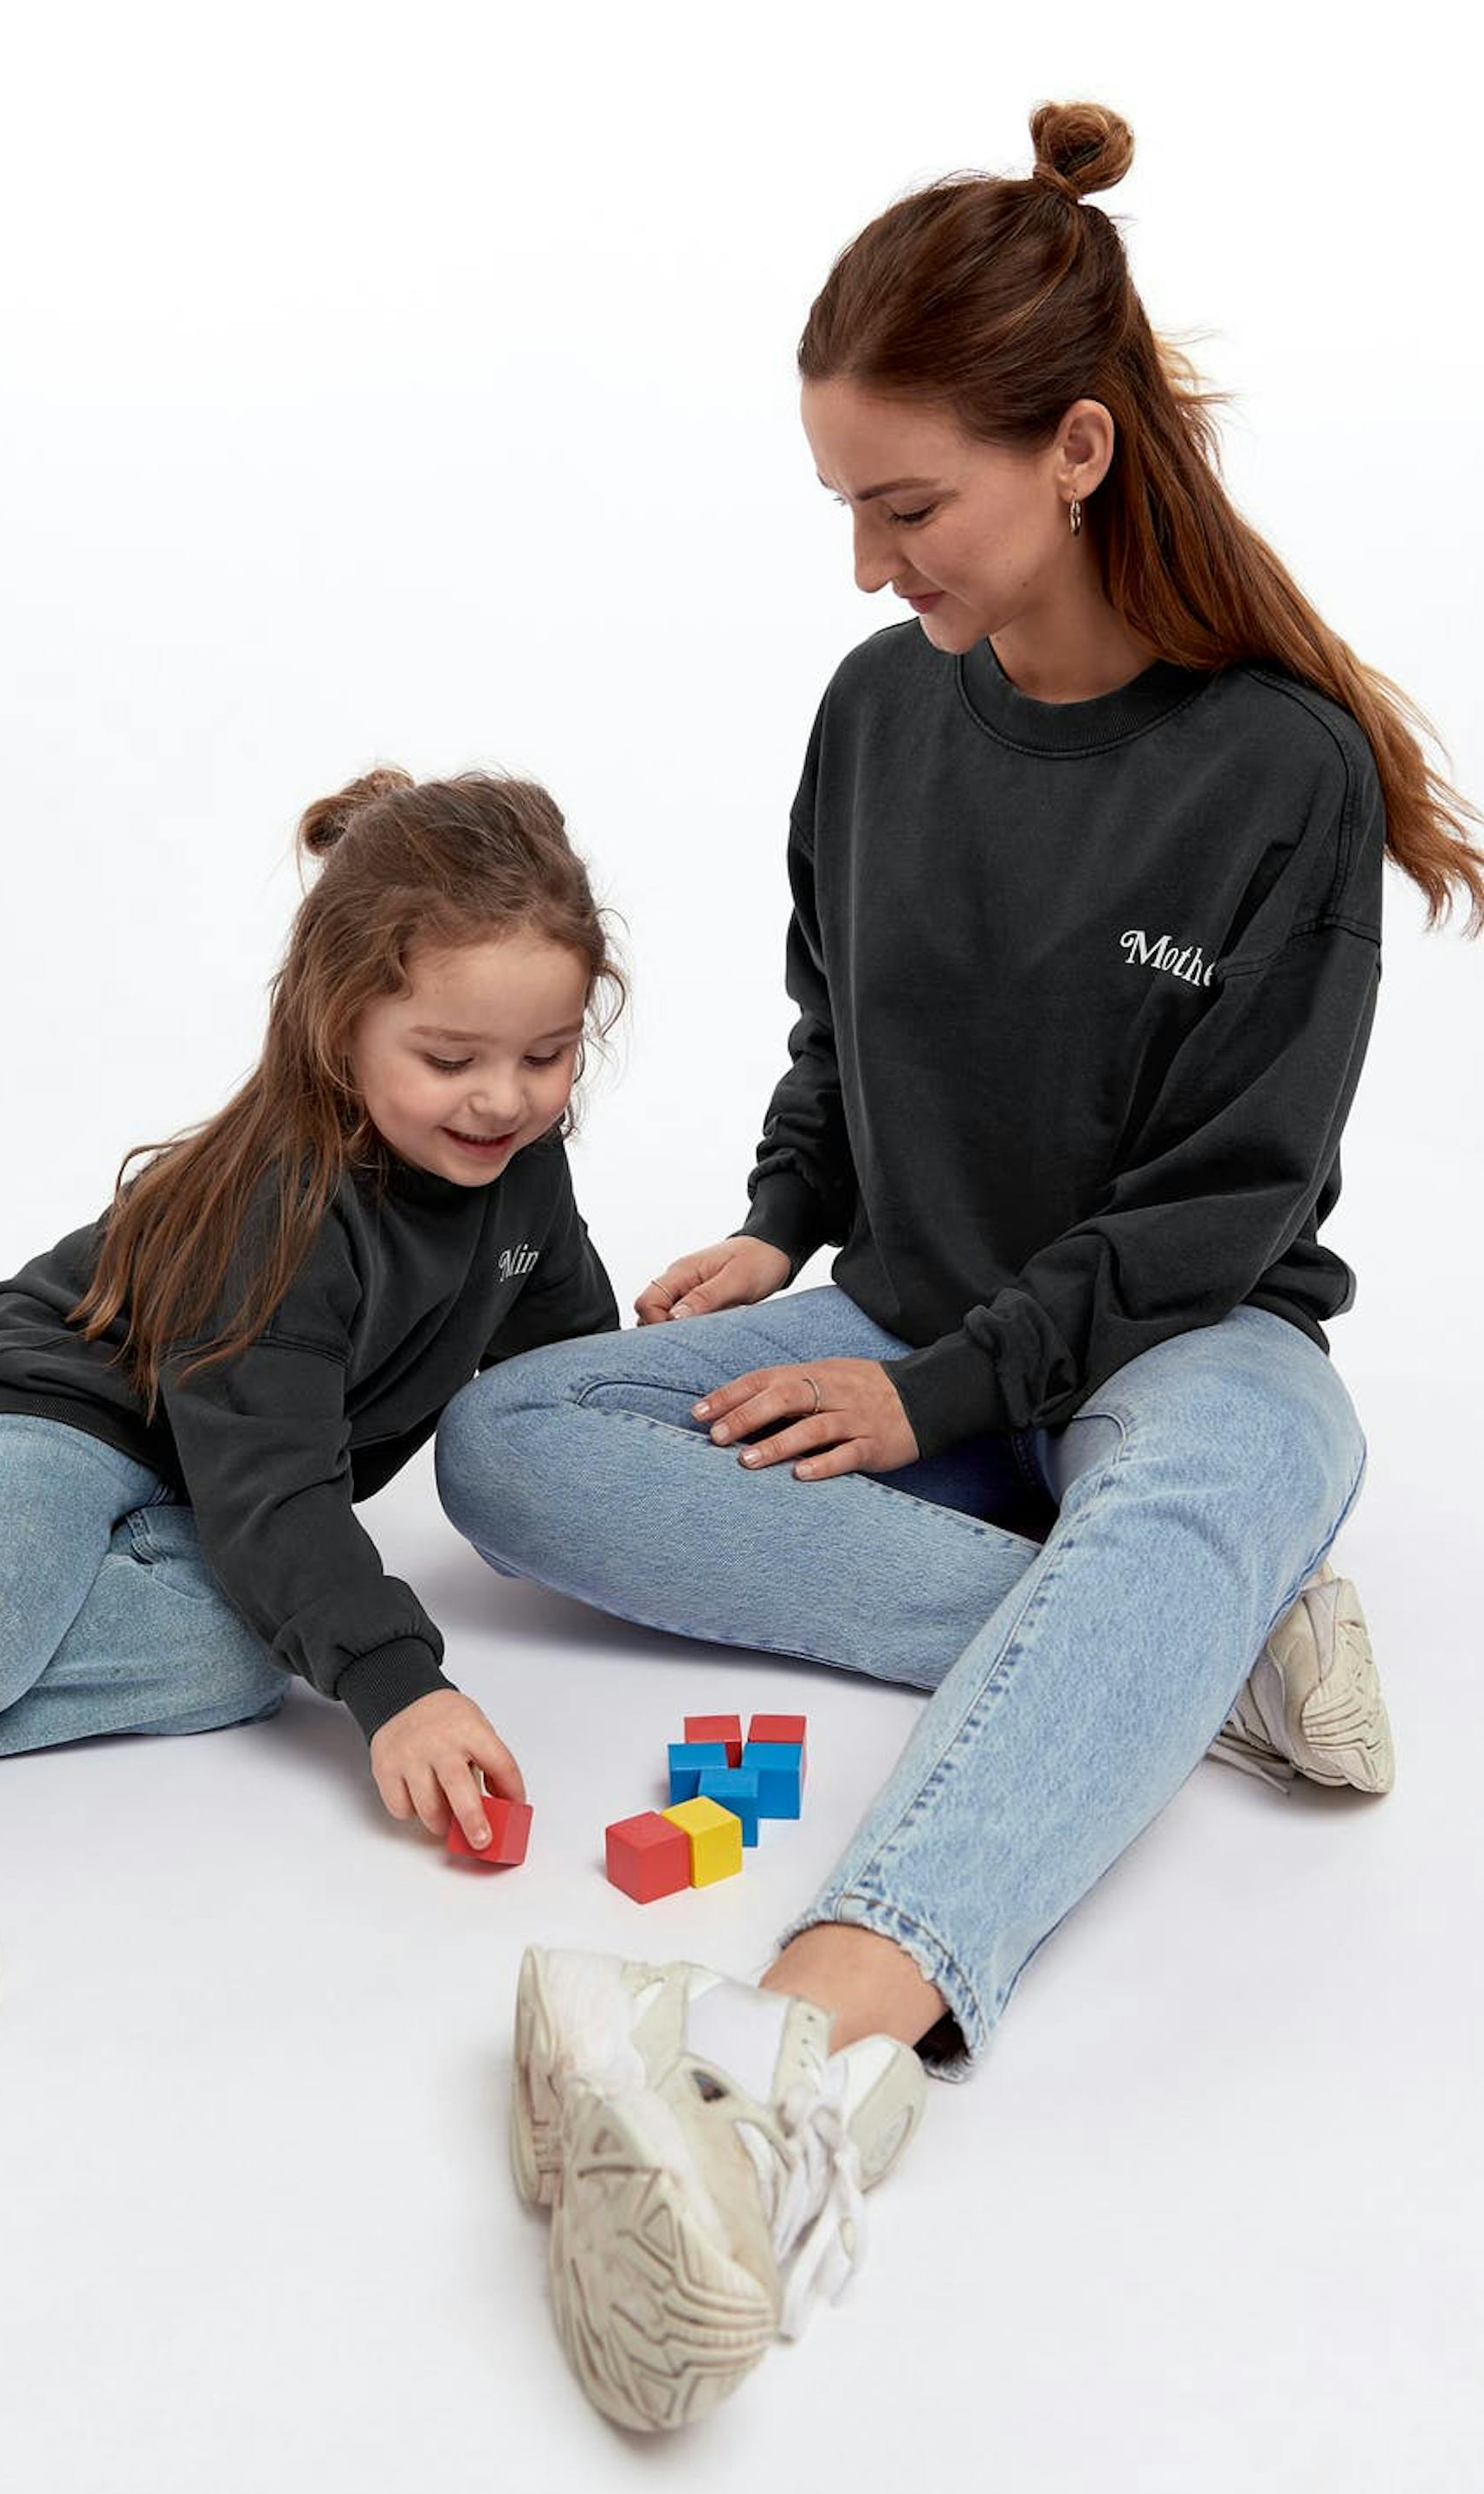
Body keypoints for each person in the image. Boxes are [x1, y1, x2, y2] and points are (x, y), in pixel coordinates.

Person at [432, 98, 1484, 2431]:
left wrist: (938, 1399)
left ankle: (778, 2068)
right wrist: (778, 1217)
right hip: (905, 1311)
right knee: (509, 1439)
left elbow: (1225, 1195)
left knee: (1198, 1486)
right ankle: (1191, 1651)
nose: (867, 566)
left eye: (907, 508)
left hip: (1180, 1345)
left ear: (1078, 451)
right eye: (846, 508)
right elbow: (840, 1016)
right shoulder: (877, 711)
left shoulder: (1279, 770)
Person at [0, 765, 625, 1838]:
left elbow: (563, 1359)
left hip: (206, 1490)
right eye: (449, 1059)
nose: (503, 1098)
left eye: (547, 1055)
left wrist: (656, 1408)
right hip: (60, 1412)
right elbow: (275, 1477)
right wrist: (399, 1685)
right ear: (340, 1024)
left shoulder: (526, 1171)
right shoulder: (281, 1205)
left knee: (238, 1667)